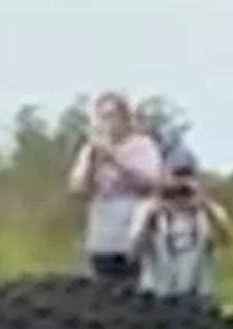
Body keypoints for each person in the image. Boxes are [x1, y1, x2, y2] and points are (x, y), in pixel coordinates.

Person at [67, 92, 164, 282]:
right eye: (102, 117)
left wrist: (115, 161)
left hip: (134, 225)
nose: (107, 122)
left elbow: (152, 183)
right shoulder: (91, 149)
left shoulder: (143, 146)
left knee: (134, 283)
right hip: (102, 229)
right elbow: (77, 187)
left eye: (112, 116)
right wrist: (91, 164)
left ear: (125, 117)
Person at [129, 163, 232, 298]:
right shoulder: (147, 209)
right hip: (157, 294)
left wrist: (206, 208)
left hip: (197, 293)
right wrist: (150, 220)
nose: (180, 196)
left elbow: (226, 242)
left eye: (186, 191)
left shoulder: (210, 211)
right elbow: (132, 254)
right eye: (174, 191)